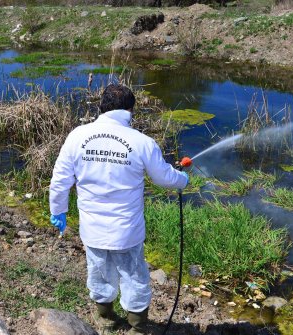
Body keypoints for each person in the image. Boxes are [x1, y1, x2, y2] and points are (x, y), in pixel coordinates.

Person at [49, 84, 188, 334]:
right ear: (129, 110)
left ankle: (106, 320)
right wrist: (182, 179)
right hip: (127, 232)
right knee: (134, 277)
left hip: (92, 229)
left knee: (99, 271)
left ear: (101, 107)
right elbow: (165, 178)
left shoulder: (78, 136)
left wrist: (58, 210)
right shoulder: (141, 142)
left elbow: (60, 180)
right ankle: (137, 327)